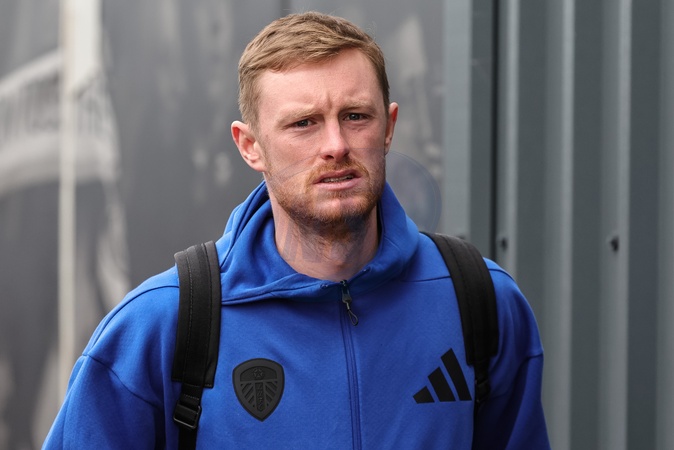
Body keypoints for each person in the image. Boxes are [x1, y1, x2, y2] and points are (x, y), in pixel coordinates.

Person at [43, 11, 550, 449]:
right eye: (303, 123)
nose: (335, 145)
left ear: (389, 127)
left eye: (356, 116)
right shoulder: (161, 327)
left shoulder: (479, 302)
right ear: (250, 146)